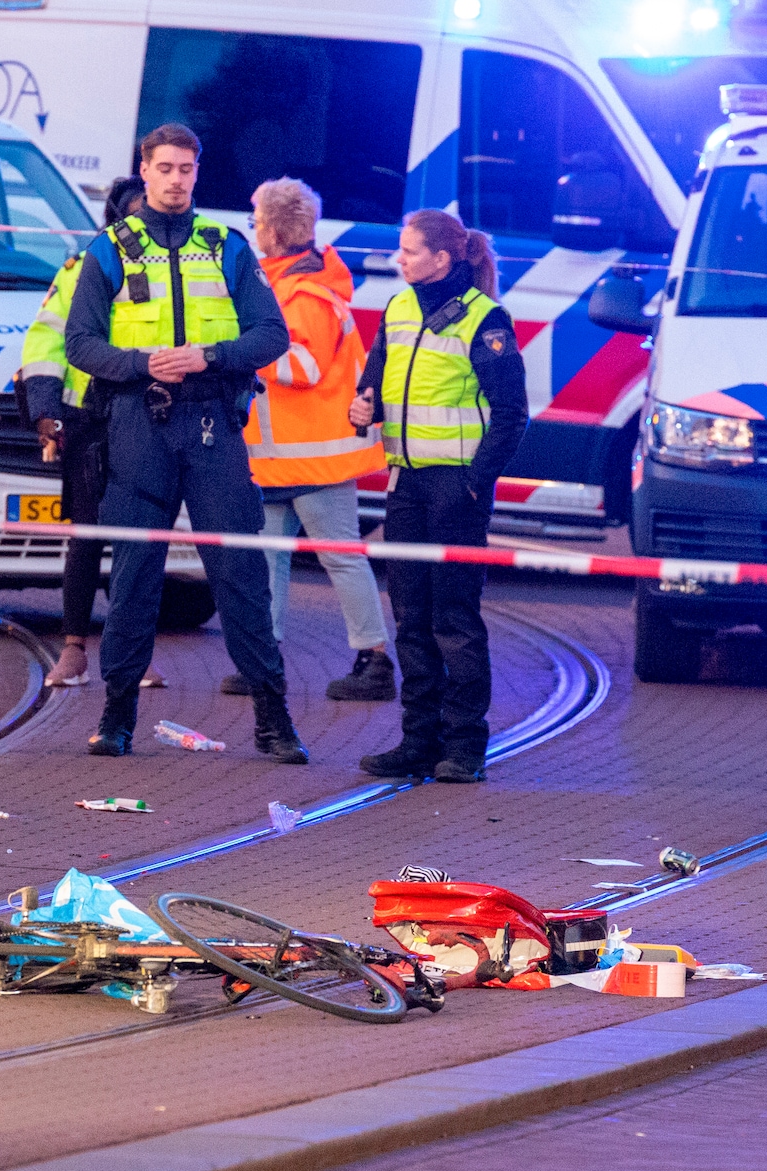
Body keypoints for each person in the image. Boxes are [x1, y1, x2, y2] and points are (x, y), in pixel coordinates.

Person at [63, 122, 303, 762]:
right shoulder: (110, 248)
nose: (175, 180)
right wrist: (144, 365)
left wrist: (208, 357)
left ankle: (274, 722)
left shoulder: (225, 245)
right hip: (140, 425)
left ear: (197, 173)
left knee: (240, 574)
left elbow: (271, 335)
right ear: (144, 171)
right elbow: (79, 345)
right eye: (164, 168)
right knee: (135, 578)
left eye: (186, 169)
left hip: (212, 429)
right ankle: (116, 719)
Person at [347, 208, 528, 783]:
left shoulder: (485, 318)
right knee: (411, 619)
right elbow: (372, 384)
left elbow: (511, 414)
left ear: (442, 258)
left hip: (455, 487)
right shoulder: (400, 308)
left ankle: (465, 747)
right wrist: (361, 410)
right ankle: (418, 741)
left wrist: (476, 481)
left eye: (408, 251)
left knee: (454, 618)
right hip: (406, 483)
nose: (398, 259)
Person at [225, 176, 395, 704]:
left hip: (313, 459)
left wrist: (239, 349)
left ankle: (374, 660)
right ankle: (265, 658)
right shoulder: (290, 284)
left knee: (338, 556)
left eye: (257, 221)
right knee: (276, 557)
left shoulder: (304, 294)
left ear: (275, 230)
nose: (253, 229)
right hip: (284, 460)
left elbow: (304, 367)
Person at [19, 176, 142, 690]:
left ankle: (134, 652)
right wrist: (46, 409)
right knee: (86, 536)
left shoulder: (185, 265)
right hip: (88, 418)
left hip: (144, 415)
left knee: (138, 539)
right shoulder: (81, 268)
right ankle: (74, 650)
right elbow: (45, 338)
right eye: (133, 215)